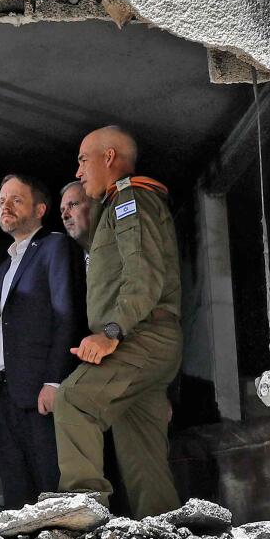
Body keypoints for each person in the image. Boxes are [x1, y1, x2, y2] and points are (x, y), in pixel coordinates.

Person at [53, 125, 183, 517]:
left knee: (73, 400)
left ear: (108, 157)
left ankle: (82, 512)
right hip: (147, 340)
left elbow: (143, 273)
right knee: (142, 454)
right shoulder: (115, 206)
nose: (78, 170)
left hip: (140, 337)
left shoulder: (131, 199)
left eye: (82, 159)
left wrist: (112, 332)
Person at [0, 173, 85, 510]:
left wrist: (54, 381)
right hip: (5, 397)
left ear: (40, 209)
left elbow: (66, 314)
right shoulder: (1, 270)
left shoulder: (55, 246)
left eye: (15, 199)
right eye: (1, 201)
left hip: (42, 392)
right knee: (17, 499)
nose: (5, 207)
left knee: (53, 493)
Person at [58, 179, 93, 255]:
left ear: (94, 205)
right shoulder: (68, 261)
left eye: (73, 205)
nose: (64, 216)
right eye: (62, 210)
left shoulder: (120, 246)